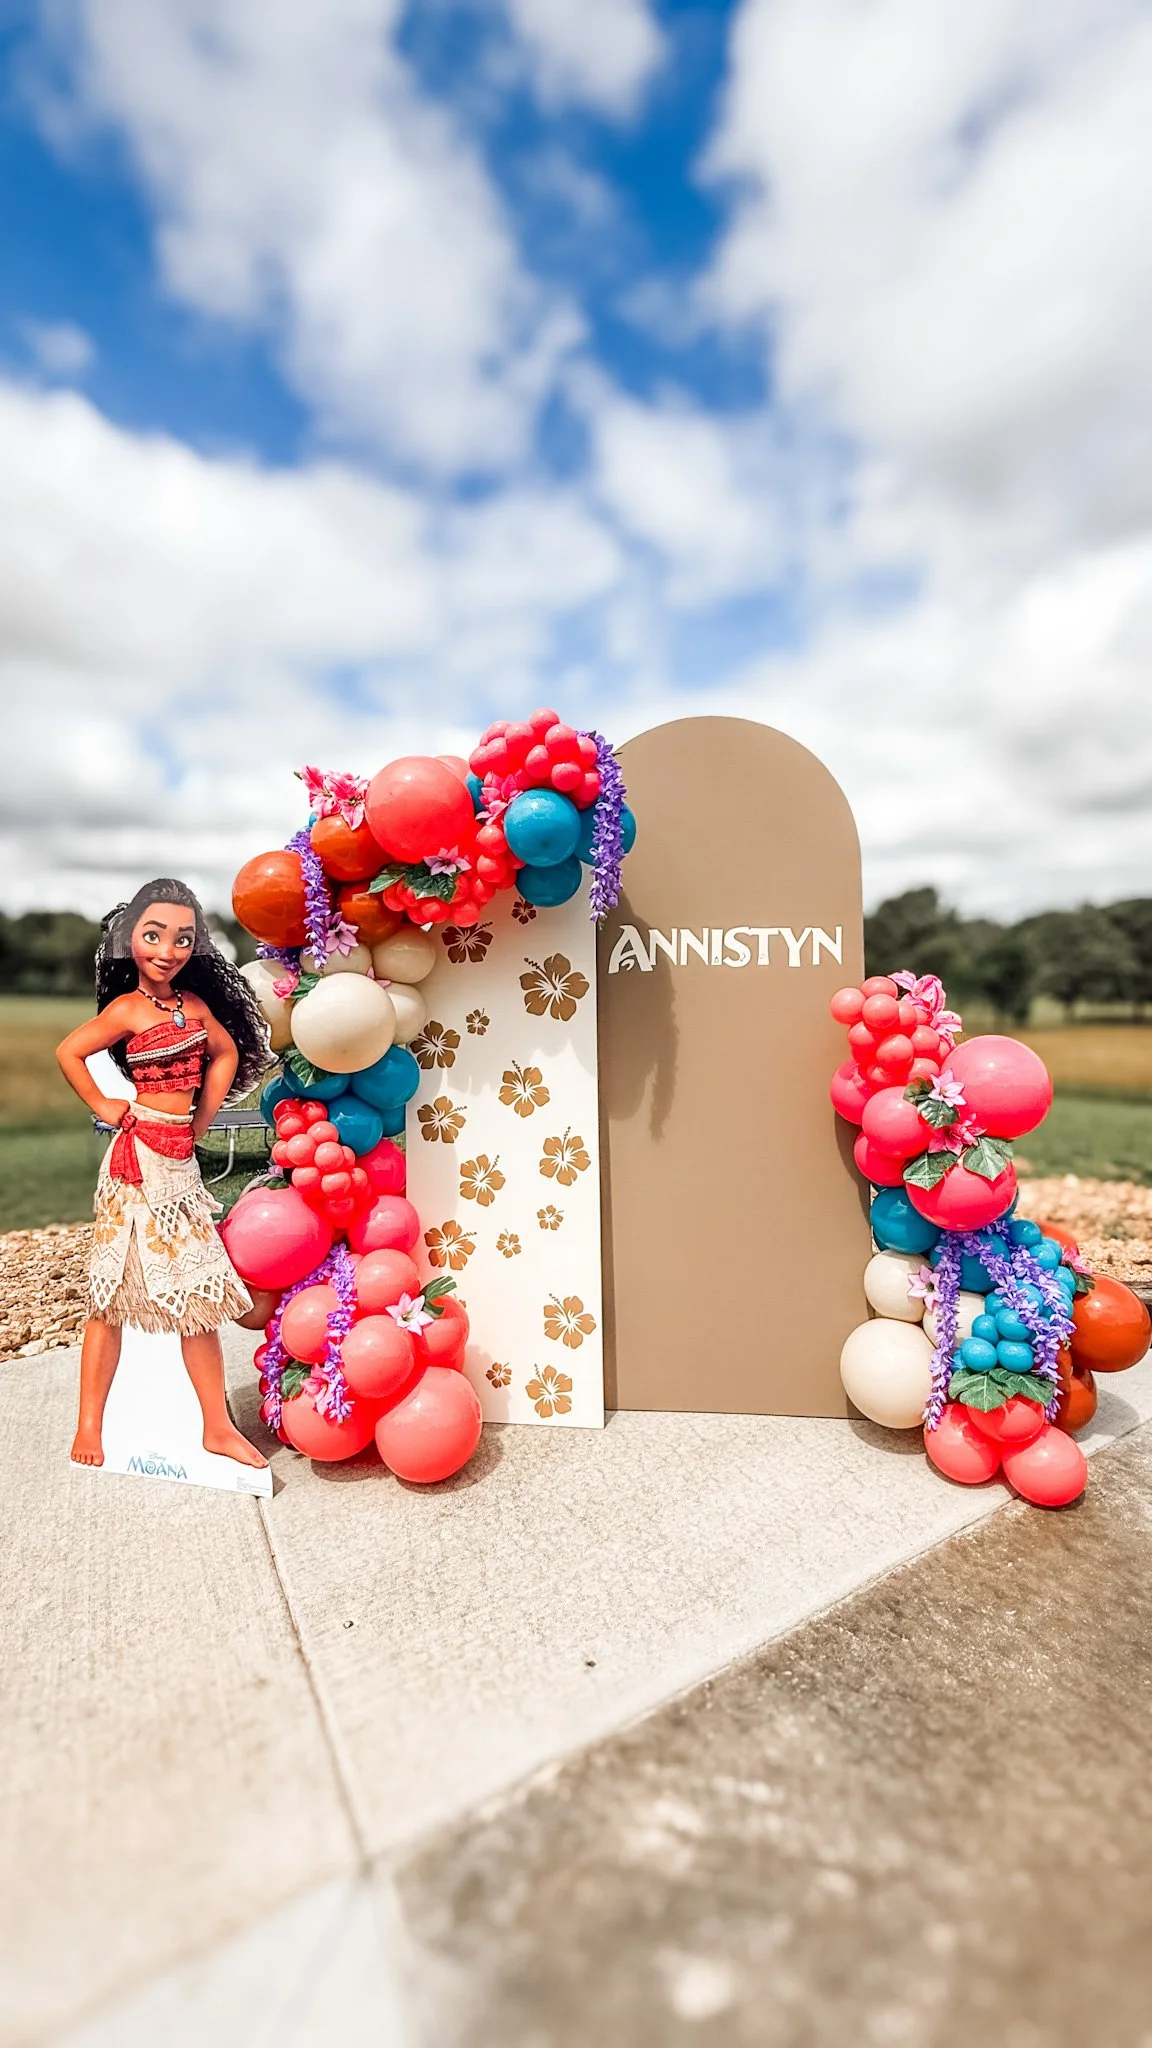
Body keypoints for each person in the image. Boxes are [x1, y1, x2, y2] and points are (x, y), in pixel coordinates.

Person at [56, 880, 272, 1470]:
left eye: (182, 939)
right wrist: (105, 1106)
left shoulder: (194, 1008)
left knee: (197, 1301)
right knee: (108, 1297)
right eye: (154, 935)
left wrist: (203, 1118)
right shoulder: (126, 1010)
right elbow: (70, 1052)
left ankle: (216, 1427)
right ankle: (89, 1424)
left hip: (178, 1162)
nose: (167, 949)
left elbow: (224, 1053)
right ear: (131, 940)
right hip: (135, 1163)